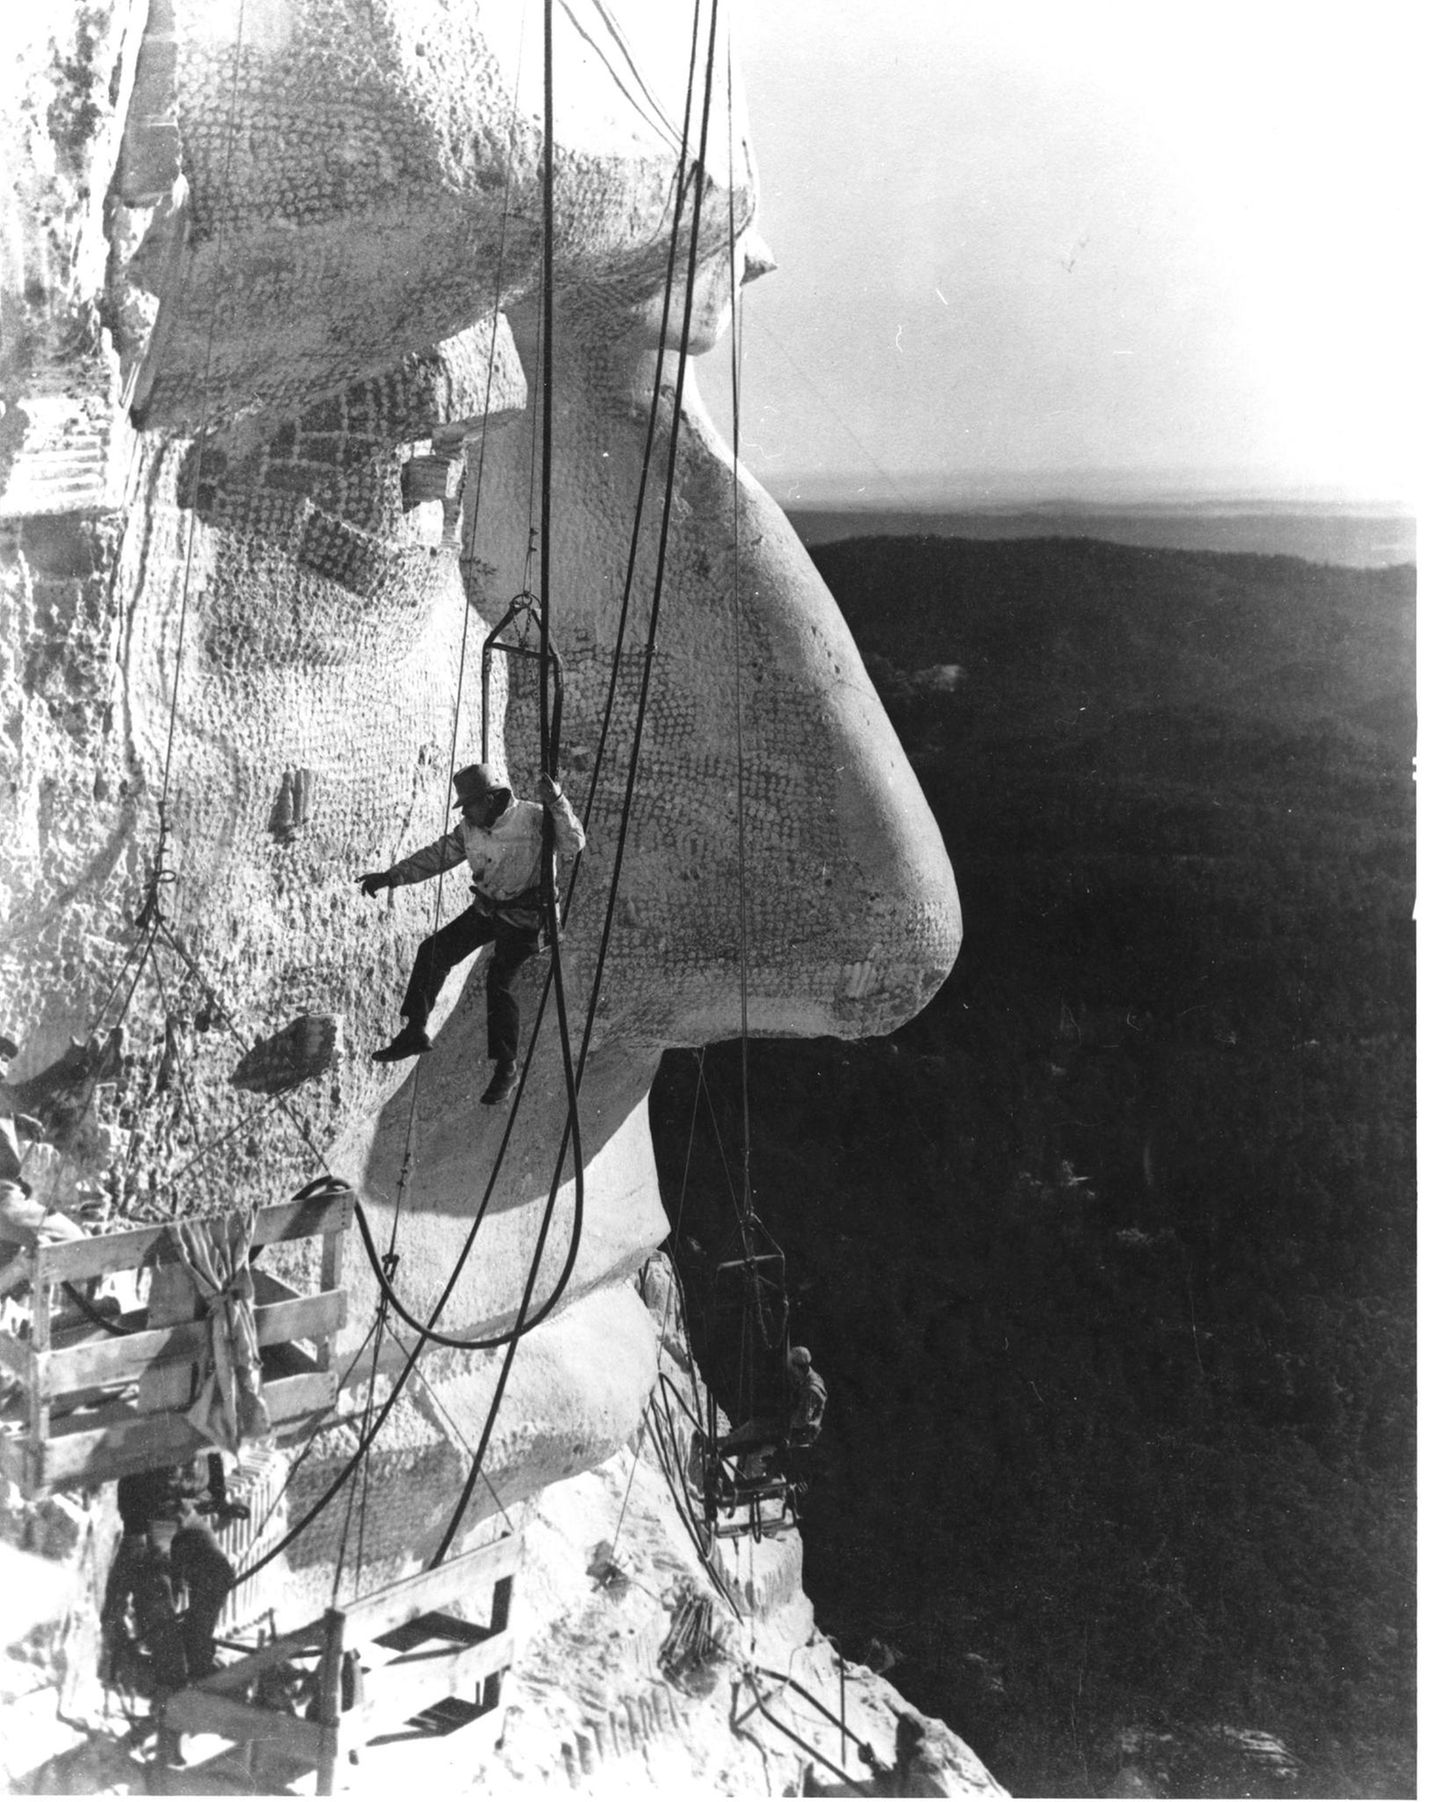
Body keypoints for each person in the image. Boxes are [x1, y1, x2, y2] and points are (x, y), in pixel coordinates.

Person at [359, 763, 586, 1105]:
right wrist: (392, 877)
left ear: (492, 798)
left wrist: (557, 802)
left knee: (499, 981)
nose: (464, 811)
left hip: (527, 918)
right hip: (490, 909)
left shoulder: (534, 818)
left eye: (469, 804)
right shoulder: (471, 828)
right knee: (433, 951)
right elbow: (436, 857)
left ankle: (507, 1068)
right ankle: (414, 1030)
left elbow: (574, 843)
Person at [101, 1454, 247, 1755]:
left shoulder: (201, 1413)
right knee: (156, 1592)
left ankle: (197, 1654)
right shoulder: (157, 1429)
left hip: (183, 1513)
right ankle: (172, 1686)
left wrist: (219, 1501)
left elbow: (213, 1447)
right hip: (151, 1518)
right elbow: (130, 1479)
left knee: (217, 1572)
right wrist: (135, 1535)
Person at [715, 1345, 827, 1480]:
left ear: (798, 1367)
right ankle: (723, 1443)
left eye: (792, 1367)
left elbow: (801, 1420)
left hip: (800, 1434)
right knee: (755, 1426)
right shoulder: (806, 1375)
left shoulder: (811, 1390)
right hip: (793, 1427)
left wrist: (777, 1421)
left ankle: (750, 1485)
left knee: (757, 1447)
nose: (790, 1370)